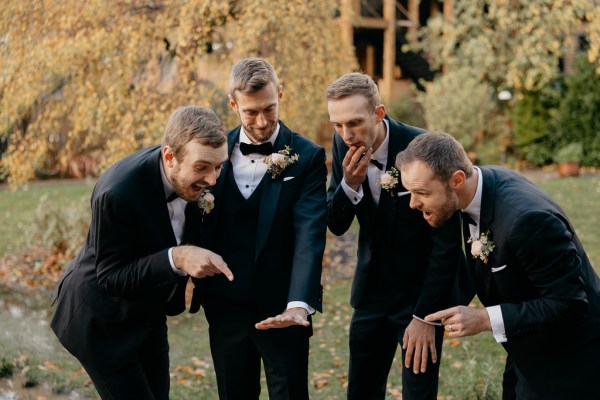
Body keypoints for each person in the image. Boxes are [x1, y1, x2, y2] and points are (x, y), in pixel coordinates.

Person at [396, 131, 600, 399]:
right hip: (526, 351)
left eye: (421, 192)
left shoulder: (528, 221)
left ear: (456, 179)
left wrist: (483, 319)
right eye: (409, 192)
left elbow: (570, 304)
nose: (413, 203)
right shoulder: (477, 188)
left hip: (571, 364)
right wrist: (424, 317)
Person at [50, 106, 233, 400]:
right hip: (101, 321)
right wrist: (179, 257)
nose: (213, 180)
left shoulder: (199, 178)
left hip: (149, 314)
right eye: (202, 168)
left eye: (219, 167)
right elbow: (111, 276)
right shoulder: (117, 192)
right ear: (170, 157)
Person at [190, 58, 327, 399]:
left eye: (270, 108)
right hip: (225, 308)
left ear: (280, 95)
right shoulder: (212, 151)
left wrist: (298, 305)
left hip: (283, 307)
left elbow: (310, 234)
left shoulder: (307, 157)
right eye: (250, 112)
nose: (262, 121)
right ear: (233, 104)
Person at [325, 72, 461, 400]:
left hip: (418, 297)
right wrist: (350, 184)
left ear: (378, 113)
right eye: (337, 124)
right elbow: (336, 223)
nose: (346, 134)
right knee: (361, 391)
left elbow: (446, 243)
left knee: (418, 393)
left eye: (355, 122)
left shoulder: (422, 148)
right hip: (370, 295)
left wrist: (425, 315)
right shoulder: (342, 142)